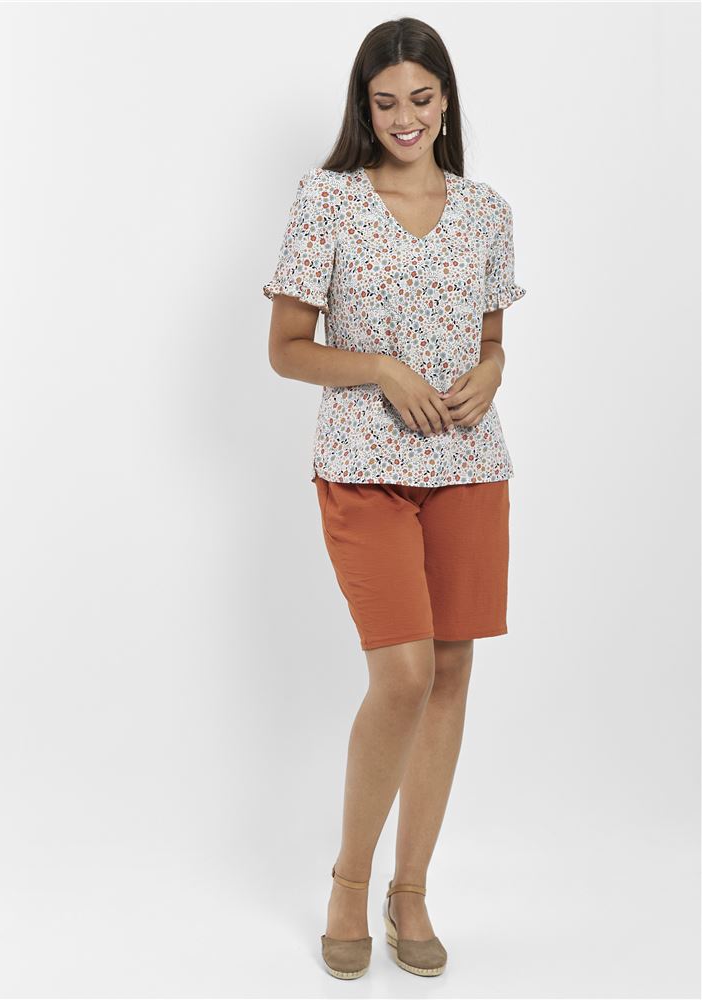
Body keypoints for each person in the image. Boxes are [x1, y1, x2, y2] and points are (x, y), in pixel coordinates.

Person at [262, 16, 526, 981]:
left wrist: (492, 372)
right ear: (363, 107)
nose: (405, 118)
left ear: (445, 101)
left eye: (421, 99)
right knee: (404, 673)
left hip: (468, 462)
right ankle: (349, 881)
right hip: (363, 463)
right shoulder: (327, 200)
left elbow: (490, 341)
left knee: (451, 670)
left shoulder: (487, 211)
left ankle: (410, 892)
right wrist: (379, 366)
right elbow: (287, 350)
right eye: (386, 103)